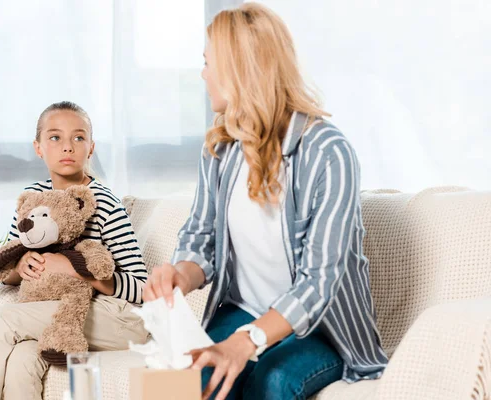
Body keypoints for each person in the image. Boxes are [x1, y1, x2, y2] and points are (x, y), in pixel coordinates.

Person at [143, 3, 388, 400]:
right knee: (189, 379)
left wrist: (248, 341)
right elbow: (202, 237)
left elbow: (319, 282)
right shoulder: (221, 147)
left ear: (239, 68)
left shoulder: (328, 152)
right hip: (243, 309)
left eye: (209, 63)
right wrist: (180, 276)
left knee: (273, 382)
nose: (202, 75)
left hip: (320, 329)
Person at [0, 101, 149, 400]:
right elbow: (4, 269)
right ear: (38, 147)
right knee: (22, 358)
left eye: (78, 137)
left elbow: (142, 288)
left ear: (91, 147)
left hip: (118, 319)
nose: (67, 147)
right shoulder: (33, 199)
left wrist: (74, 268)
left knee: (6, 319)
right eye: (55, 137)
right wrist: (21, 267)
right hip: (57, 314)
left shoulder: (104, 203)